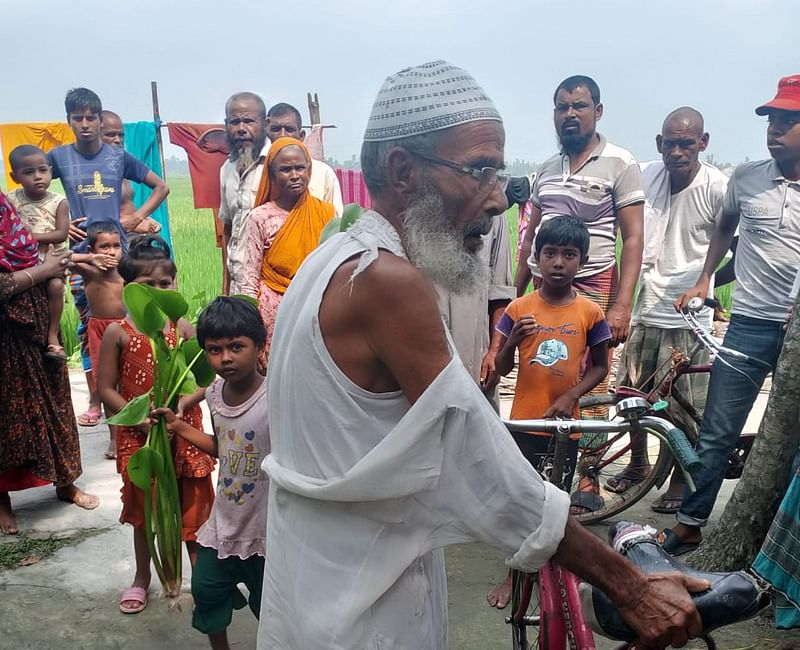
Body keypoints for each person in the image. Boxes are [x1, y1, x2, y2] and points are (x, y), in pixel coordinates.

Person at [256, 60, 705, 650]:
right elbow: (478, 458)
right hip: (364, 607)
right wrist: (632, 587)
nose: (498, 201)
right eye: (479, 171)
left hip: (313, 582)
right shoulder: (389, 281)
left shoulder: (331, 256)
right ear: (402, 172)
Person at [665, 75, 800, 554]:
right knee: (718, 429)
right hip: (746, 325)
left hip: (796, 333)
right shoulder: (746, 178)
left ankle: (778, 536)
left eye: (789, 119)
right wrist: (706, 278)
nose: (775, 128)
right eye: (772, 119)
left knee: (790, 437)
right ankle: (691, 521)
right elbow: (727, 226)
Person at [486, 215, 611, 609]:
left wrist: (570, 394)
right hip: (524, 424)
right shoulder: (520, 308)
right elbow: (502, 367)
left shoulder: (591, 313)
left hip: (564, 429)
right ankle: (514, 573)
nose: (559, 262)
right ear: (537, 259)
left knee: (554, 501)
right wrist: (510, 344)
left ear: (583, 261)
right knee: (520, 501)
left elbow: (601, 367)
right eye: (550, 253)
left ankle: (550, 568)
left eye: (569, 255)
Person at [610, 108, 728, 514]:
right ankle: (639, 462)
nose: (677, 152)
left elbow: (743, 246)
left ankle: (679, 477)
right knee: (631, 394)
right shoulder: (646, 175)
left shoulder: (717, 187)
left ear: (703, 142)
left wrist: (708, 284)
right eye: (670, 143)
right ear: (659, 144)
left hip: (689, 317)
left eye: (687, 143)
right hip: (646, 305)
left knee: (682, 406)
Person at [514, 75, 644, 425]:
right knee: (545, 364)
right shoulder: (546, 169)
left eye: (579, 106)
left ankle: (588, 466)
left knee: (592, 371)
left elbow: (632, 238)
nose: (570, 114)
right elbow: (530, 238)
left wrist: (621, 306)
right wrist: (515, 294)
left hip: (593, 283)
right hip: (544, 288)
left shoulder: (620, 162)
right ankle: (541, 447)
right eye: (562, 107)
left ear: (597, 111)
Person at [96, 235, 215, 614]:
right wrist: (141, 419)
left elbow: (202, 379)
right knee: (145, 511)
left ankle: (201, 578)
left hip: (183, 430)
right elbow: (105, 389)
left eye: (166, 284)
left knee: (192, 509)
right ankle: (143, 578)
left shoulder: (183, 329)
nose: (160, 291)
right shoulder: (118, 332)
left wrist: (182, 406)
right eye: (149, 286)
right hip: (140, 435)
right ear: (131, 290)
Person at [153, 296, 269, 650]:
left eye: (237, 346)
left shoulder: (275, 396)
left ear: (260, 346)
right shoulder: (215, 394)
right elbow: (224, 448)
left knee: (273, 606)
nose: (226, 358)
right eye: (214, 350)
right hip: (225, 523)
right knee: (206, 589)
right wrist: (179, 426)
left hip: (268, 531)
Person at [0, 191, 98, 535]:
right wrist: (45, 270)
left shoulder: (8, 212)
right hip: (5, 338)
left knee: (56, 404)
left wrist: (49, 271)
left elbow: (41, 251)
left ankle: (65, 482)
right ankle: (2, 500)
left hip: (38, 324)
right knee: (7, 418)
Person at [240, 138, 335, 353]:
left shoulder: (326, 213)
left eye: (300, 168)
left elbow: (334, 269)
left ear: (309, 170)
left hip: (314, 309)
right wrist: (252, 328)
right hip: (273, 313)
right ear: (272, 175)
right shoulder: (260, 217)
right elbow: (250, 277)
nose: (294, 175)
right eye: (285, 169)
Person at [48, 87, 169, 251]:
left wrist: (137, 217)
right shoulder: (59, 157)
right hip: (82, 252)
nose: (84, 124)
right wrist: (61, 225)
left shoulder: (118, 156)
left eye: (90, 118)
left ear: (100, 121)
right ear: (69, 120)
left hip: (118, 251)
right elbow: (33, 191)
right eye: (78, 118)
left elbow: (162, 187)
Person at [435, 211, 514, 404]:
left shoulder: (494, 213)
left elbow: (501, 292)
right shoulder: (416, 203)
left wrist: (495, 352)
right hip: (429, 354)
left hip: (476, 355)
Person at [7, 144, 70, 360]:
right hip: (22, 262)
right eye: (29, 172)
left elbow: (61, 234)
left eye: (43, 170)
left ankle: (52, 335)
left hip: (51, 259)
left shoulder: (58, 202)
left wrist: (29, 238)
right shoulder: (11, 200)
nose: (37, 177)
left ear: (51, 171)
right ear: (14, 177)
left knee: (55, 286)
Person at [74, 221, 125, 459]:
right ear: (92, 249)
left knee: (130, 381)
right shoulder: (90, 270)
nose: (111, 252)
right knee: (108, 385)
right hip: (99, 331)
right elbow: (61, 257)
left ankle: (133, 430)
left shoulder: (127, 271)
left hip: (125, 329)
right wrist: (88, 259)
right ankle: (114, 439)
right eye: (104, 247)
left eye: (116, 246)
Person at [219, 92, 269, 295]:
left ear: (265, 124)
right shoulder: (226, 169)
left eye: (249, 121)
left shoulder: (277, 164)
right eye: (235, 122)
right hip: (237, 287)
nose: (241, 129)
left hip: (269, 286)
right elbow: (229, 230)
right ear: (226, 124)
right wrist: (225, 289)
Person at [265, 102, 344, 217]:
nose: (282, 135)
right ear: (267, 135)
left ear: (301, 136)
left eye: (289, 129)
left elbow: (335, 223)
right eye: (276, 129)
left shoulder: (323, 173)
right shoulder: (259, 171)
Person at [100, 110, 162, 235]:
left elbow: (162, 187)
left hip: (132, 235)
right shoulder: (92, 171)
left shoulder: (122, 162)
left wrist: (140, 217)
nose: (117, 140)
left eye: (121, 135)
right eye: (110, 135)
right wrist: (135, 225)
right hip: (111, 239)